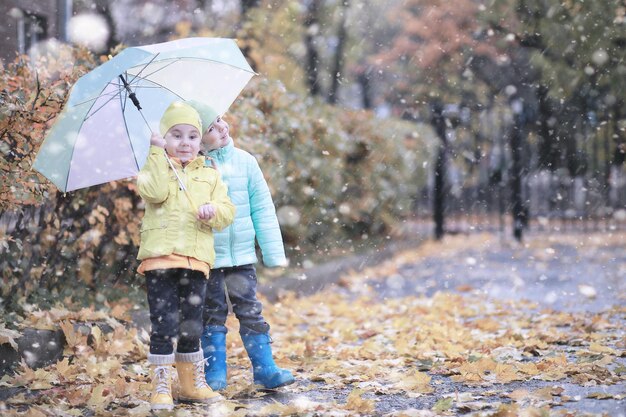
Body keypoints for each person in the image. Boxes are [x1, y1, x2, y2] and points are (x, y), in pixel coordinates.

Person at [188, 100, 295, 391]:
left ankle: (265, 369)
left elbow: (263, 207)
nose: (221, 127)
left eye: (220, 120)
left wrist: (273, 253)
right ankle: (215, 374)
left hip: (242, 257)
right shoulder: (193, 168)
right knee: (211, 313)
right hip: (209, 256)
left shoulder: (245, 161)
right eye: (211, 127)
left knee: (250, 310)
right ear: (197, 138)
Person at [136, 101, 235, 410]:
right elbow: (153, 193)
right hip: (161, 260)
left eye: (192, 136)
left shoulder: (210, 174)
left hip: (195, 260)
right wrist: (154, 153)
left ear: (199, 141)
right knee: (163, 323)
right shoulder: (154, 167)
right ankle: (161, 385)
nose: (184, 143)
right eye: (175, 135)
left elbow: (227, 210)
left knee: (193, 323)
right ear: (164, 139)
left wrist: (213, 211)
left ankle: (191, 383)